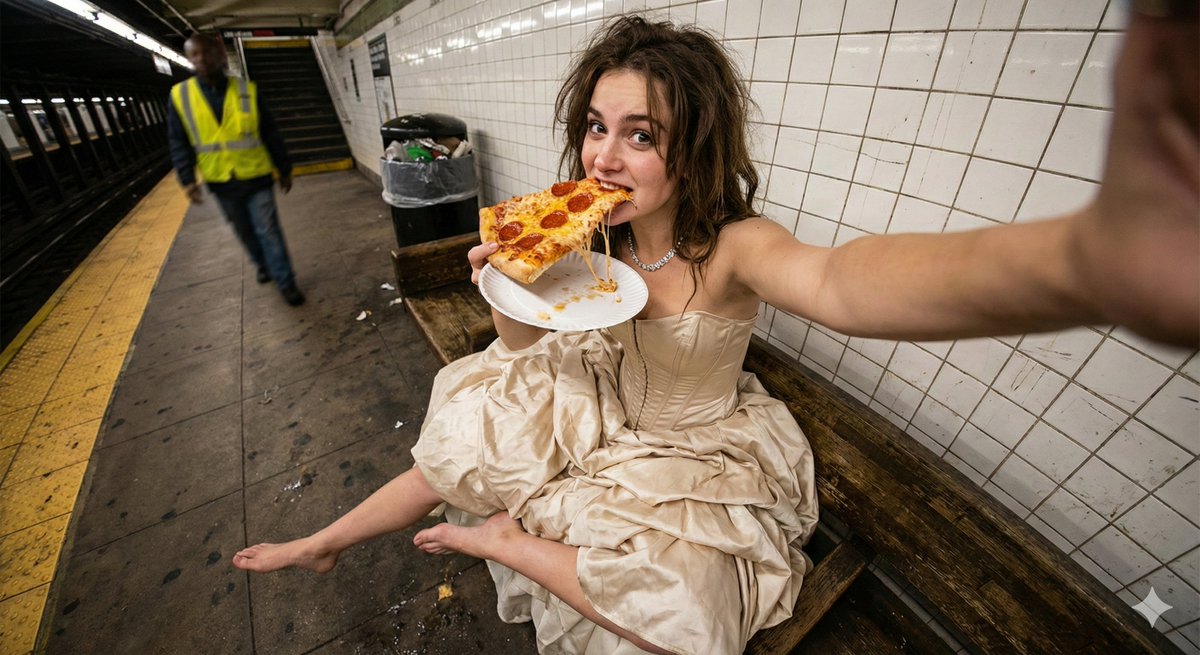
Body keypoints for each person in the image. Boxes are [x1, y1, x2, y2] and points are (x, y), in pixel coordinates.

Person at [232, 10, 1198, 655]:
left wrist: (1085, 263)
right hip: (586, 386)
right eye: (597, 127)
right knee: (474, 430)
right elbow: (521, 350)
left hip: (692, 444)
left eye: (641, 135)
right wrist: (511, 286)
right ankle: (326, 537)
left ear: (693, 148)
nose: (604, 156)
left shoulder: (735, 245)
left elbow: (843, 282)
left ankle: (505, 544)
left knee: (691, 621)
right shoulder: (578, 229)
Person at [167, 32, 305, 306]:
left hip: (256, 176)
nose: (202, 59)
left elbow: (270, 132)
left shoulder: (247, 91)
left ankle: (286, 282)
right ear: (189, 59)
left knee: (268, 229)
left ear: (220, 55)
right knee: (244, 231)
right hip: (220, 181)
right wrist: (187, 178)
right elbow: (178, 141)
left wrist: (284, 168)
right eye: (195, 54)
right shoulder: (180, 96)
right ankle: (262, 264)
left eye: (207, 52)